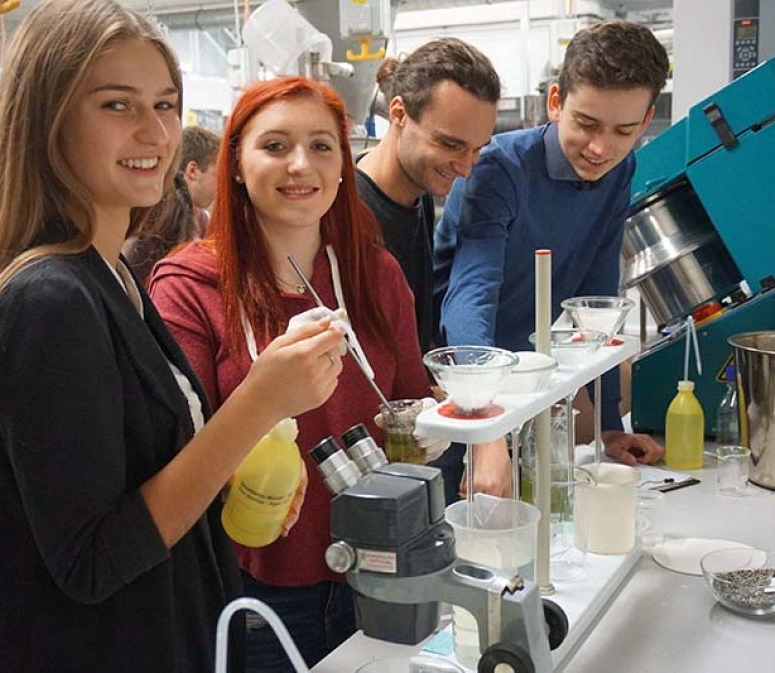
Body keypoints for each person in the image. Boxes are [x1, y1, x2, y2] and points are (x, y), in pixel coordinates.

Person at [0, 2, 345, 671]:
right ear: (48, 119)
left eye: (166, 104)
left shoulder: (112, 274)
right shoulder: (48, 300)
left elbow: (131, 483)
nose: (155, 130)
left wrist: (233, 476)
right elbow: (92, 559)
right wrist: (258, 404)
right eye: (117, 105)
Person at [148, 77, 446, 671]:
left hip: (383, 563)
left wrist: (435, 422)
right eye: (275, 146)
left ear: (343, 165)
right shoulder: (188, 288)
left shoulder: (374, 274)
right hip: (261, 588)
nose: (300, 165)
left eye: (321, 146)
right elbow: (173, 463)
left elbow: (413, 393)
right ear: (234, 163)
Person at [434, 20, 668, 466]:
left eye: (623, 131)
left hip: (527, 383)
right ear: (556, 101)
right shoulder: (500, 169)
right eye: (587, 123)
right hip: (461, 381)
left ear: (645, 121)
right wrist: (482, 422)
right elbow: (469, 295)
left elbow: (599, 293)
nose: (601, 148)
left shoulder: (620, 169)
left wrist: (610, 427)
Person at [356, 39, 511, 502]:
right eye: (450, 144)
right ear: (399, 113)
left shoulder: (419, 195)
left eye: (477, 149)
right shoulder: (349, 216)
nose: (465, 168)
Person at [124, 125, 221, 286]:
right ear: (193, 171)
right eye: (218, 175)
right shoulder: (163, 217)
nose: (221, 186)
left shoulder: (200, 218)